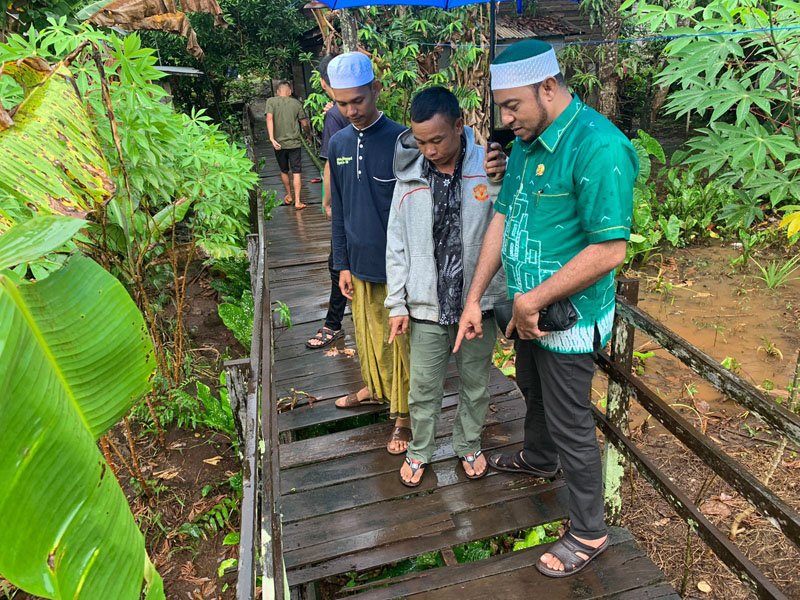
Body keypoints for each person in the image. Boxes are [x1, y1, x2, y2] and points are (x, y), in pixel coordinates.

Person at [453, 40, 638, 577]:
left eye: (513, 106)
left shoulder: (598, 147)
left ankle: (588, 530)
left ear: (549, 88)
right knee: (530, 386)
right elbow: (502, 219)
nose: (506, 118)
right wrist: (475, 297)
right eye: (501, 107)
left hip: (567, 315)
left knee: (570, 417)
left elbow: (610, 248)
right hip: (525, 306)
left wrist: (534, 298)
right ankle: (539, 457)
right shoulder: (528, 143)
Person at [384, 87, 508, 487]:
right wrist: (397, 304)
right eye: (421, 141)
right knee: (423, 386)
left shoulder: (486, 166)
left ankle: (468, 442)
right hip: (426, 306)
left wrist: (498, 180)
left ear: (459, 126)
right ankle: (421, 450)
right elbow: (396, 243)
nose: (430, 150)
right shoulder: (409, 174)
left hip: (478, 303)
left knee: (476, 383)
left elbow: (505, 221)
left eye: (437, 140)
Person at [326, 52, 412, 454]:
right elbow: (338, 208)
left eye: (358, 100)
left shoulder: (401, 139)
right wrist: (340, 263)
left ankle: (403, 416)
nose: (351, 110)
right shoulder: (339, 141)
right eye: (342, 103)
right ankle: (374, 389)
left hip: (396, 267)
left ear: (376, 89)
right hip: (357, 264)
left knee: (397, 343)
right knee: (364, 333)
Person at [306, 54, 350, 350]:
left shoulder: (334, 113)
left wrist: (326, 198)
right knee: (339, 263)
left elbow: (331, 163)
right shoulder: (348, 109)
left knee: (338, 263)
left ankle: (333, 323)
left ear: (323, 83)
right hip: (356, 197)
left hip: (346, 199)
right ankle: (334, 321)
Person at [265, 81, 309, 210]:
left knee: (284, 170)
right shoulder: (296, 103)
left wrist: (272, 138)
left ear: (277, 92)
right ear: (289, 91)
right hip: (294, 143)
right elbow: (304, 123)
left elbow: (269, 118)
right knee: (296, 171)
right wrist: (308, 134)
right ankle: (298, 201)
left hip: (278, 143)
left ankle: (289, 195)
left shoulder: (271, 102)